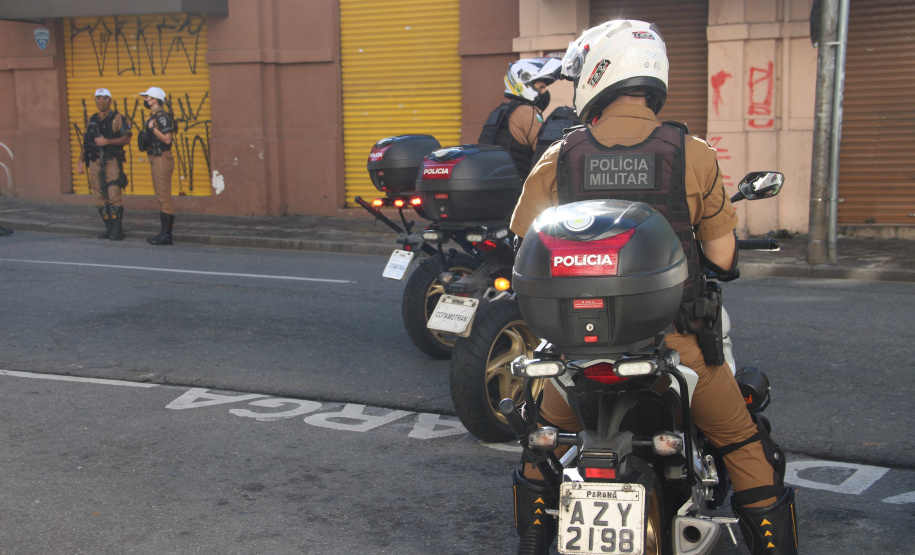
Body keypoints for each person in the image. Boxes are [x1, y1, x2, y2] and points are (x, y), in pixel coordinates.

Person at [508, 20, 798, 555]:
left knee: (539, 448)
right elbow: (721, 256)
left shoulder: (559, 155)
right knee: (742, 443)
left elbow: (523, 238)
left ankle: (533, 539)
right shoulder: (694, 153)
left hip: (576, 357)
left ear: (599, 73)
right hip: (677, 350)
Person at [478, 57, 562, 179]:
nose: (544, 92)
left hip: (493, 182)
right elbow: (547, 151)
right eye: (541, 87)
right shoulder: (527, 112)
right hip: (517, 188)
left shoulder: (499, 112)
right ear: (526, 84)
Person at [77, 88, 131, 240]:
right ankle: (109, 228)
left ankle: (117, 230)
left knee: (113, 194)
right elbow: (86, 142)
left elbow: (126, 138)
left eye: (105, 98)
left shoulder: (117, 118)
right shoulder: (92, 119)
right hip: (94, 162)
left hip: (112, 161)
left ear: (110, 100)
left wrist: (107, 141)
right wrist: (80, 160)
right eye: (98, 98)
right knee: (99, 195)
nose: (101, 101)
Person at [138, 86, 176, 246]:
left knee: (163, 197)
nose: (145, 100)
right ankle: (164, 233)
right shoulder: (154, 116)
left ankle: (166, 235)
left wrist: (152, 129)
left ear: (154, 99)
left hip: (162, 158)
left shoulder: (161, 116)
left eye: (147, 97)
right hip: (155, 157)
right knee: (161, 196)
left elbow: (167, 139)